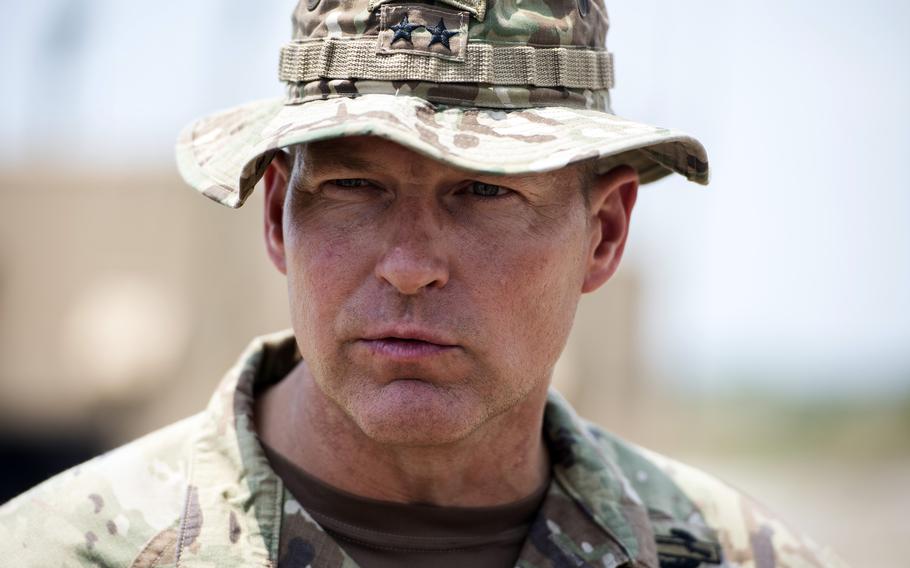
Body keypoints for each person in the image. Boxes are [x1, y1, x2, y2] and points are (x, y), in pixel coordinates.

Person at [0, 0, 847, 566]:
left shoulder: (733, 554)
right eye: (353, 188)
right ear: (274, 219)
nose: (409, 264)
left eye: (485, 191)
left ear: (605, 233)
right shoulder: (57, 550)